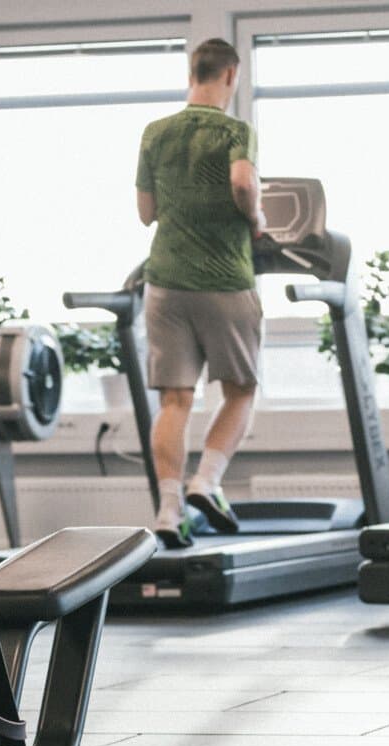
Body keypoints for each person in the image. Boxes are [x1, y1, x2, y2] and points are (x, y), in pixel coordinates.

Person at [134, 37, 266, 549]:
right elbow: (241, 183)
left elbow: (146, 212)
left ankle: (168, 510)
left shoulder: (155, 133)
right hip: (224, 279)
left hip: (164, 280)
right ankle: (205, 482)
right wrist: (253, 217)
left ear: (193, 72)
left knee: (175, 399)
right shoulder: (236, 131)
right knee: (241, 389)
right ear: (230, 75)